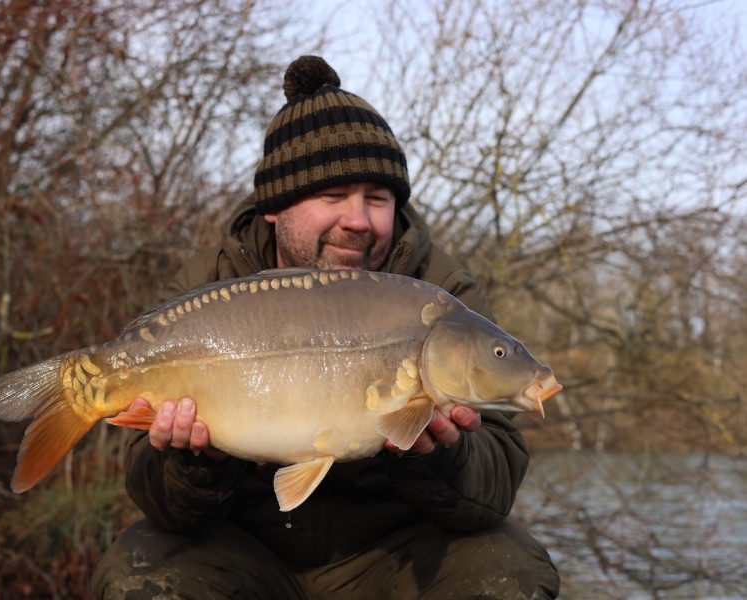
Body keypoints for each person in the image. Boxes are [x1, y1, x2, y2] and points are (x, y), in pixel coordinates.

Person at [92, 55, 560, 599]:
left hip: (394, 555)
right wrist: (197, 462)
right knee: (140, 569)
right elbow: (161, 502)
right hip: (243, 549)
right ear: (275, 207)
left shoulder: (441, 296)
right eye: (332, 196)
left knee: (511, 568)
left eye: (377, 199)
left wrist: (442, 457)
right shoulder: (207, 291)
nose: (358, 220)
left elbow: (495, 486)